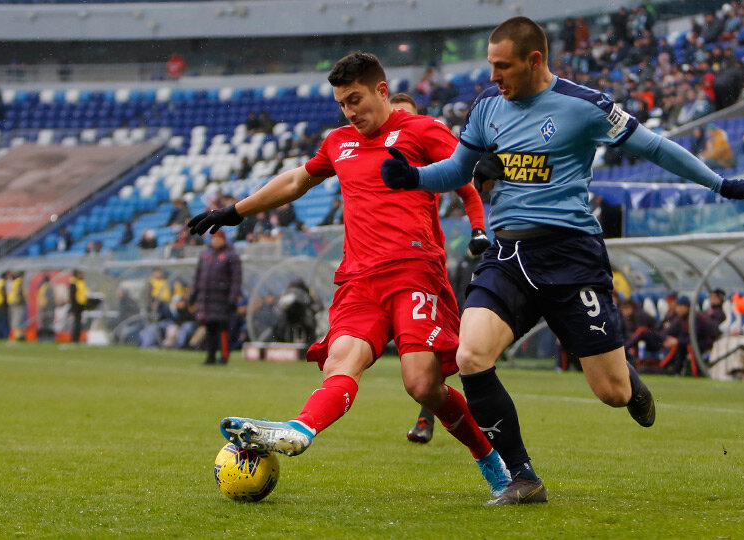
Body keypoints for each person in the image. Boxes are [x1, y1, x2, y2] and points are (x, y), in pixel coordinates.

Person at [380, 16, 744, 504]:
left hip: (572, 256)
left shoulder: (585, 106)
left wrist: (721, 184)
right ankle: (523, 478)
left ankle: (628, 382)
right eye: (491, 66)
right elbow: (457, 170)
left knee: (610, 392)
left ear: (535, 61)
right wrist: (415, 178)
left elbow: (654, 147)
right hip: (508, 254)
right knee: (471, 355)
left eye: (503, 66)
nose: (493, 77)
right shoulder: (488, 106)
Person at [185, 51, 511, 502]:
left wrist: (481, 212)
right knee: (341, 362)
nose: (349, 112)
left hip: (413, 272)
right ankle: (301, 429)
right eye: (341, 103)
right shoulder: (339, 141)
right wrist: (235, 211)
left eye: (355, 99)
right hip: (358, 279)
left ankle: (490, 458)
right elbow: (298, 180)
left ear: (382, 90)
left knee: (421, 384)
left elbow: (465, 173)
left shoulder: (420, 129)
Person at [391, 90, 493, 444]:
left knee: (436, 344)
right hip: (383, 266)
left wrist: (479, 229)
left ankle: (444, 412)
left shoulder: (428, 159)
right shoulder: (373, 155)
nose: (401, 123)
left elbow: (467, 189)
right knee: (426, 347)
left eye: (407, 116)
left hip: (423, 262)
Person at [189, 230, 241, 365]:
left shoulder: (231, 256)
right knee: (210, 329)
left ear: (224, 240)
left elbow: (236, 280)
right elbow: (197, 278)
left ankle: (224, 357)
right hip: (206, 300)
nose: (216, 241)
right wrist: (193, 295)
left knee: (223, 329)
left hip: (222, 299)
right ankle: (210, 356)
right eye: (214, 238)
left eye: (218, 238)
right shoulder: (205, 255)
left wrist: (232, 298)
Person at [69, 269, 88, 343]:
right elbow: (73, 295)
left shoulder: (81, 281)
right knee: (76, 323)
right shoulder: (74, 282)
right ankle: (74, 338)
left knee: (78, 322)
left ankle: (77, 338)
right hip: (76, 306)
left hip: (81, 305)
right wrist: (75, 305)